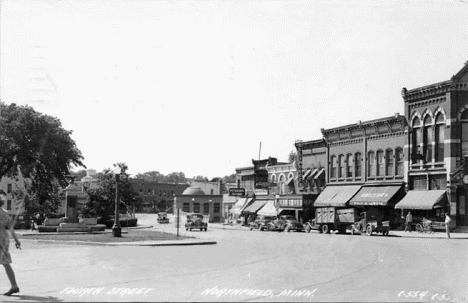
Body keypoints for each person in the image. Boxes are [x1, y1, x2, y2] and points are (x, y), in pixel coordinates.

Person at [0, 193, 21, 296]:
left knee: (5, 262)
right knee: (5, 262)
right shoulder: (5, 213)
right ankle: (14, 285)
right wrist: (16, 240)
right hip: (4, 237)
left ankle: (14, 286)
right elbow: (11, 228)